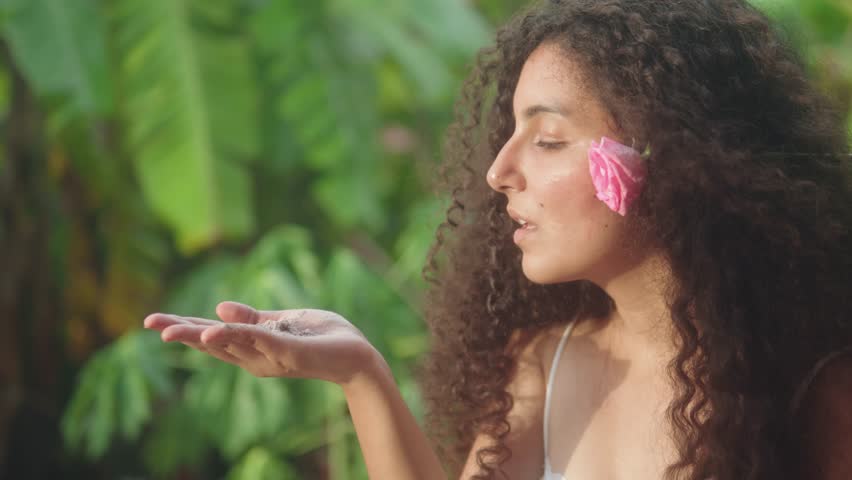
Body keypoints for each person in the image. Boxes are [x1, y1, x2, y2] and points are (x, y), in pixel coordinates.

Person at [143, 0, 852, 478]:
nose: (498, 171)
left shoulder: (814, 391)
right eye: (510, 132)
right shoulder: (543, 364)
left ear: (678, 156)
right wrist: (361, 374)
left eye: (548, 139)